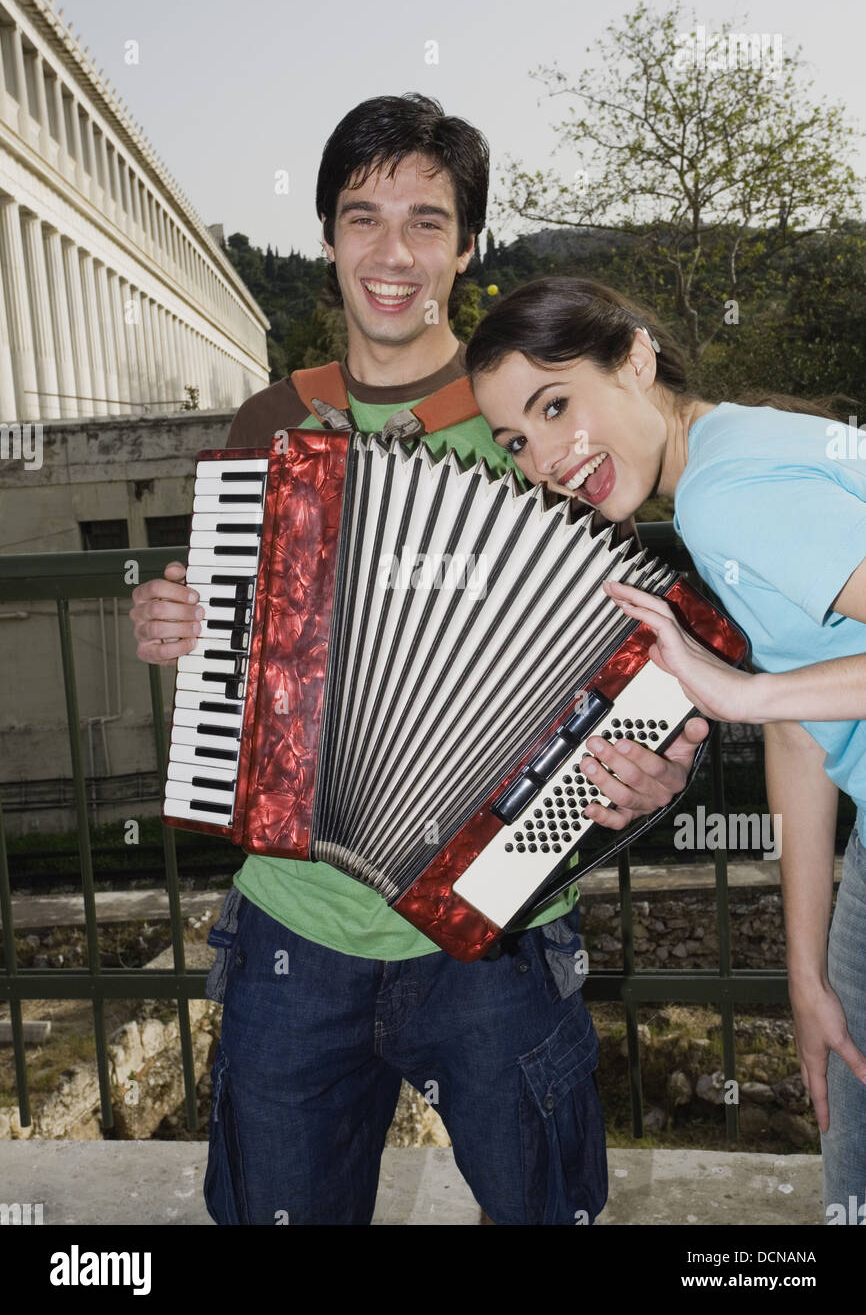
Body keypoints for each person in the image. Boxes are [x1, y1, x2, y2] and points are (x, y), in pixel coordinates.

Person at [130, 99, 707, 1226]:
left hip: (497, 932)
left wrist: (656, 766)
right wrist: (177, 628)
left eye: (426, 222)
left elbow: (632, 662)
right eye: (362, 219)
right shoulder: (271, 425)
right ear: (328, 237)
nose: (393, 255)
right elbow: (227, 669)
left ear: (466, 244)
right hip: (293, 926)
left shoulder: (538, 425)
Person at [465, 274, 866, 1224]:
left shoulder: (724, 495)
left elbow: (772, 701)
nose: (547, 458)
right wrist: (804, 976)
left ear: (636, 360)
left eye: (556, 404)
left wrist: (741, 687)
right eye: (517, 441)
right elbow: (805, 734)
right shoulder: (739, 443)